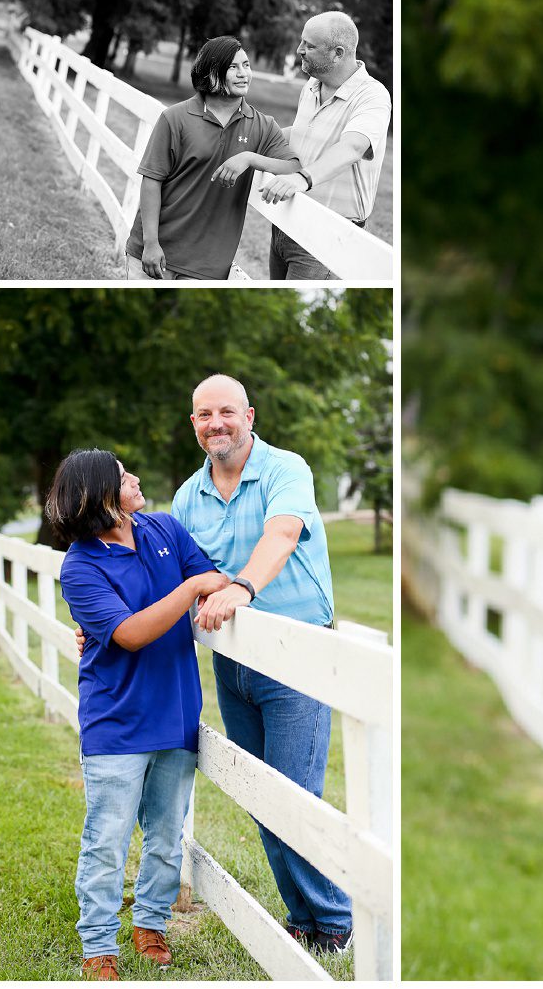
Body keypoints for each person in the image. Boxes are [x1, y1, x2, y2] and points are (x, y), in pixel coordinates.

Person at [173, 374, 353, 951]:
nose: (216, 423)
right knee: (259, 796)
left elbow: (283, 533)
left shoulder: (285, 470)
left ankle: (337, 923)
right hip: (235, 661)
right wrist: (100, 627)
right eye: (204, 415)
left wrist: (243, 586)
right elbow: (166, 572)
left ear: (249, 415)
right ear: (194, 424)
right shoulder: (185, 497)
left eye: (227, 412)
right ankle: (302, 918)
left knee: (295, 799)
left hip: (297, 655)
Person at [51, 449, 230, 980]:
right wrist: (191, 587)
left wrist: (204, 584)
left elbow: (214, 579)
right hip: (117, 722)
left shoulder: (164, 530)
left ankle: (151, 922)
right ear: (98, 494)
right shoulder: (80, 566)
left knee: (165, 832)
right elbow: (129, 635)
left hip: (176, 713)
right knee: (106, 840)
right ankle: (98, 945)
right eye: (122, 475)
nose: (134, 477)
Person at [124, 36, 302, 280]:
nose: (243, 74)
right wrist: (150, 243)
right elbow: (152, 181)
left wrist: (249, 158)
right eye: (232, 67)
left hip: (207, 265)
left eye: (246, 65)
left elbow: (293, 166)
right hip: (156, 252)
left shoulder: (262, 125)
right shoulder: (175, 118)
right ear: (210, 73)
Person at [258, 11, 391, 279]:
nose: (299, 50)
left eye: (309, 45)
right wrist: (252, 141)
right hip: (285, 223)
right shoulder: (310, 86)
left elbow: (352, 147)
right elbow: (300, 134)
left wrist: (301, 179)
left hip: (327, 236)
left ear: (338, 53)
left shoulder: (373, 96)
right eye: (301, 42)